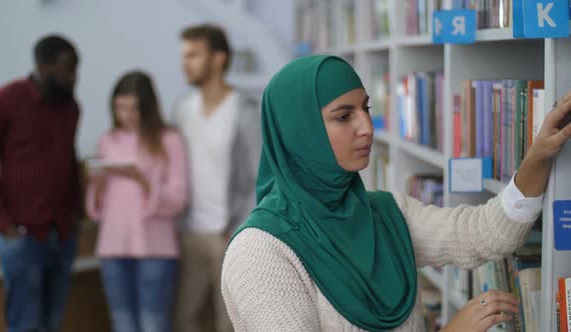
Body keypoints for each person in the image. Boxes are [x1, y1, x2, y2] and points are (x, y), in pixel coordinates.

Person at [221, 55, 571, 331]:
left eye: (366, 108)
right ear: (300, 132)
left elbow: (485, 234)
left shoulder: (385, 214)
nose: (367, 128)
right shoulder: (260, 253)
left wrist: (537, 156)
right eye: (344, 116)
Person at [0, 35, 82, 332]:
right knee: (26, 324)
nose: (74, 77)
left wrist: (75, 214)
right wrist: (3, 221)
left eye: (77, 69)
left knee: (52, 322)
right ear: (43, 68)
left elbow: (69, 160)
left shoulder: (70, 107)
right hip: (20, 235)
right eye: (68, 70)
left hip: (61, 234)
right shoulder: (4, 101)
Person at [172, 24, 261, 332]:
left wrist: (239, 230)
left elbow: (259, 178)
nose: (185, 62)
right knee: (185, 319)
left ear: (219, 58)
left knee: (231, 323)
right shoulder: (183, 111)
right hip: (190, 234)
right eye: (184, 55)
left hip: (229, 235)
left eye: (194, 55)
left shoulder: (244, 111)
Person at [85, 71, 189, 332]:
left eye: (134, 108)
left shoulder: (169, 140)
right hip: (113, 247)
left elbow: (179, 198)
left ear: (148, 106)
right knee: (122, 322)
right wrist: (96, 184)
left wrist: (143, 180)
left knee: (152, 322)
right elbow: (100, 204)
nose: (127, 115)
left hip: (155, 248)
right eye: (120, 108)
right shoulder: (108, 141)